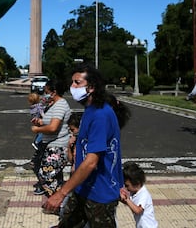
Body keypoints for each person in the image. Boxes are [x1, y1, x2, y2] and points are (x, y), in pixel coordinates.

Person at [44, 62, 128, 228]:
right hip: (83, 187)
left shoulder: (100, 115)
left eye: (77, 83)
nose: (72, 87)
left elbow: (92, 161)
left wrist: (61, 193)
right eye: (72, 82)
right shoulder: (91, 109)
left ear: (91, 87)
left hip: (100, 195)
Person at [30, 79, 71, 197]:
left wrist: (37, 129)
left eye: (46, 91)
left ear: (54, 92)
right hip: (49, 144)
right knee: (51, 174)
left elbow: (53, 127)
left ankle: (57, 200)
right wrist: (40, 121)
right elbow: (48, 121)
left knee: (46, 174)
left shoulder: (60, 105)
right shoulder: (53, 104)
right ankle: (57, 199)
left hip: (58, 146)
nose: (45, 94)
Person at [120, 162, 158, 228]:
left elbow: (138, 210)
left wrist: (127, 199)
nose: (126, 188)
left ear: (137, 183)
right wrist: (122, 198)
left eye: (127, 185)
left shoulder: (143, 194)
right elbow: (131, 203)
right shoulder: (134, 192)